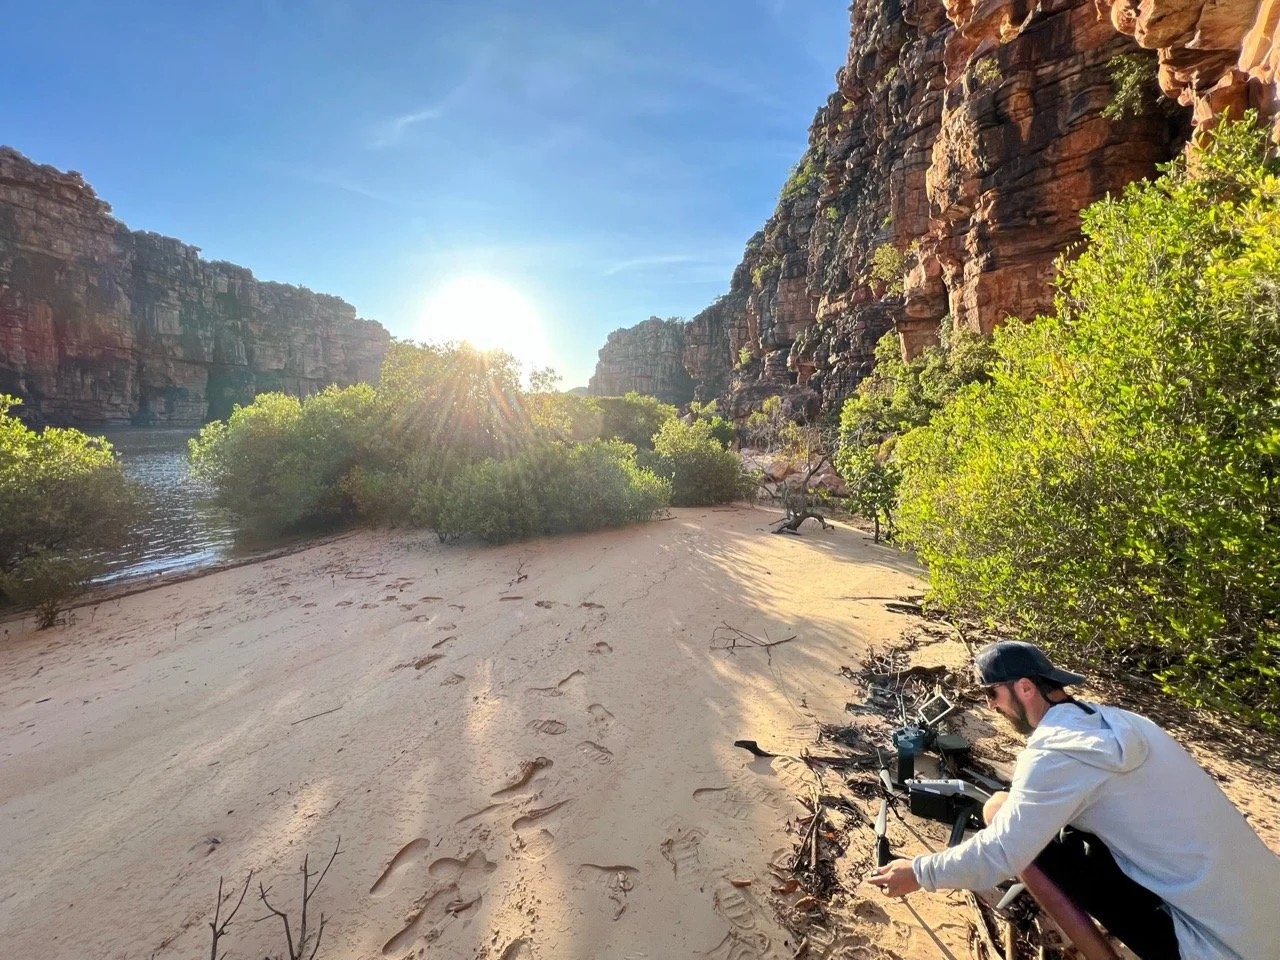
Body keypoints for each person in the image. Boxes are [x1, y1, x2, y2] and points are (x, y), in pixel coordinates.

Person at [867, 640, 1280, 960]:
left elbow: (1001, 855)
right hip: (1264, 908)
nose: (992, 707)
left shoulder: (1056, 753)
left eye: (993, 694)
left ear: (1025, 688)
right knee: (1004, 808)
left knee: (1006, 823)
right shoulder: (1121, 723)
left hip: (1213, 944)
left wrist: (919, 873)